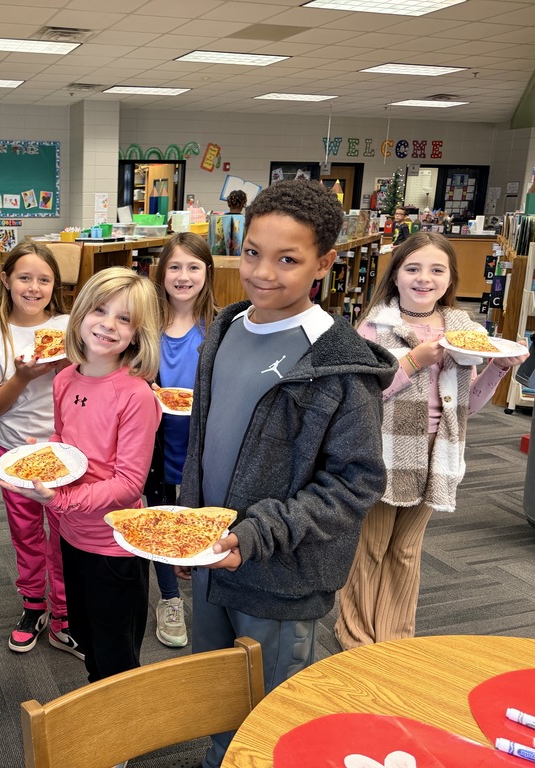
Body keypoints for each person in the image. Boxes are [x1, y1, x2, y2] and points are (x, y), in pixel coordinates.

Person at [178, 179, 397, 768]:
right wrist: (188, 518)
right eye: (253, 252)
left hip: (278, 576)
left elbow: (355, 482)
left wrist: (257, 534)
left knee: (268, 714)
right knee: (216, 695)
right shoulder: (226, 326)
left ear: (325, 262)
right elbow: (209, 437)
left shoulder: (339, 365)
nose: (262, 272)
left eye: (288, 260)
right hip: (211, 558)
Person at [334, 231, 528, 650]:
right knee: (371, 546)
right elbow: (359, 398)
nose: (424, 278)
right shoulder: (374, 327)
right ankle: (355, 636)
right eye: (413, 268)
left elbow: (469, 405)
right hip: (383, 452)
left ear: (450, 278)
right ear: (396, 275)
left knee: (406, 550)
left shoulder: (464, 330)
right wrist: (413, 361)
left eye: (437, 270)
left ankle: (395, 639)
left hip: (437, 452)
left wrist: (499, 368)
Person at [0, 267, 162, 686]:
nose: (108, 324)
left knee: (116, 656)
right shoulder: (66, 378)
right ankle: (96, 706)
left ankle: (117, 721)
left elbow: (129, 484)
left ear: (138, 333)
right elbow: (65, 439)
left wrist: (61, 501)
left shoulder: (136, 395)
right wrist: (45, 453)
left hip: (115, 545)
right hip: (72, 537)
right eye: (99, 310)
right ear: (81, 313)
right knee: (88, 638)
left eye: (124, 318)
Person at [0, 241, 78, 657]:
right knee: (25, 533)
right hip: (14, 450)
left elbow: (91, 383)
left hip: (66, 452)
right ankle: (34, 605)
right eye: (24, 277)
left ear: (55, 285)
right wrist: (22, 376)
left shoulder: (70, 325)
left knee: (64, 534)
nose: (34, 288)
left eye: (44, 279)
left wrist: (67, 363)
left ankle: (64, 614)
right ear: (5, 280)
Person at [144, 232, 216, 648]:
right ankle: (169, 598)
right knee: (161, 515)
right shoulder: (145, 324)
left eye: (193, 267)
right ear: (161, 273)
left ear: (207, 272)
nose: (183, 276)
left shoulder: (220, 327)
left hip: (201, 444)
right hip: (155, 442)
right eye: (174, 267)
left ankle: (207, 591)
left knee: (200, 515)